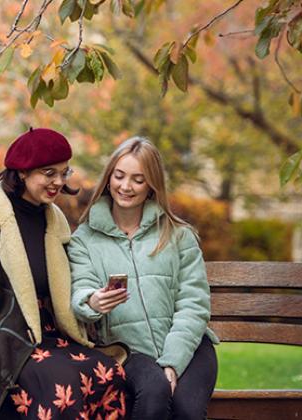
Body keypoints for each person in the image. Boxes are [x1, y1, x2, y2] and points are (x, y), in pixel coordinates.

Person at [0, 128, 129, 420]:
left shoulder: (55, 222)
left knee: (109, 374)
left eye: (63, 173)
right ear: (22, 173)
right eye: (48, 173)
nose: (58, 182)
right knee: (62, 385)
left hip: (49, 338)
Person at [68, 137, 219, 420]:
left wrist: (172, 363)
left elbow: (194, 304)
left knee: (186, 410)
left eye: (138, 179)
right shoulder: (83, 240)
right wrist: (93, 301)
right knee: (153, 396)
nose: (126, 187)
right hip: (129, 352)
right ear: (109, 177)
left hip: (190, 346)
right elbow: (80, 290)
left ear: (152, 185)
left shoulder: (178, 236)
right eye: (120, 176)